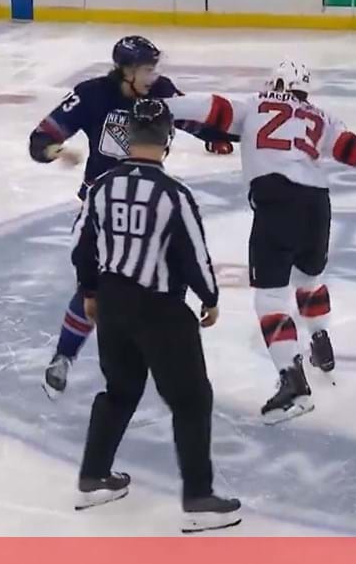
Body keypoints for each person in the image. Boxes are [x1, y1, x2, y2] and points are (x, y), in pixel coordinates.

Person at [167, 60, 356, 424]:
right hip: (318, 206)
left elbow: (209, 106)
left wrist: (166, 106)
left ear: (276, 83)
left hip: (275, 200)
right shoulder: (323, 118)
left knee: (270, 298)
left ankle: (294, 384)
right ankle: (319, 338)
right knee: (309, 278)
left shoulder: (255, 104)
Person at [71, 98, 241, 533]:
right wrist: (210, 297)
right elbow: (193, 254)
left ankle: (93, 478)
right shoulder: (173, 195)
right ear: (167, 139)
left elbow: (82, 246)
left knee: (120, 390)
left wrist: (90, 292)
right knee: (191, 399)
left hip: (111, 302)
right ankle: (199, 498)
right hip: (160, 309)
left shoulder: (103, 186)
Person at [29, 35, 232, 399]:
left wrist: (215, 137)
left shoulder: (162, 91)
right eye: (147, 68)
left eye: (155, 68)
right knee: (97, 282)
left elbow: (190, 119)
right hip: (104, 203)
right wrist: (56, 150)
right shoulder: (92, 94)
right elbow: (42, 136)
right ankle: (64, 356)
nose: (154, 75)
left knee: (164, 279)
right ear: (125, 70)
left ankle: (163, 356)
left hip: (149, 198)